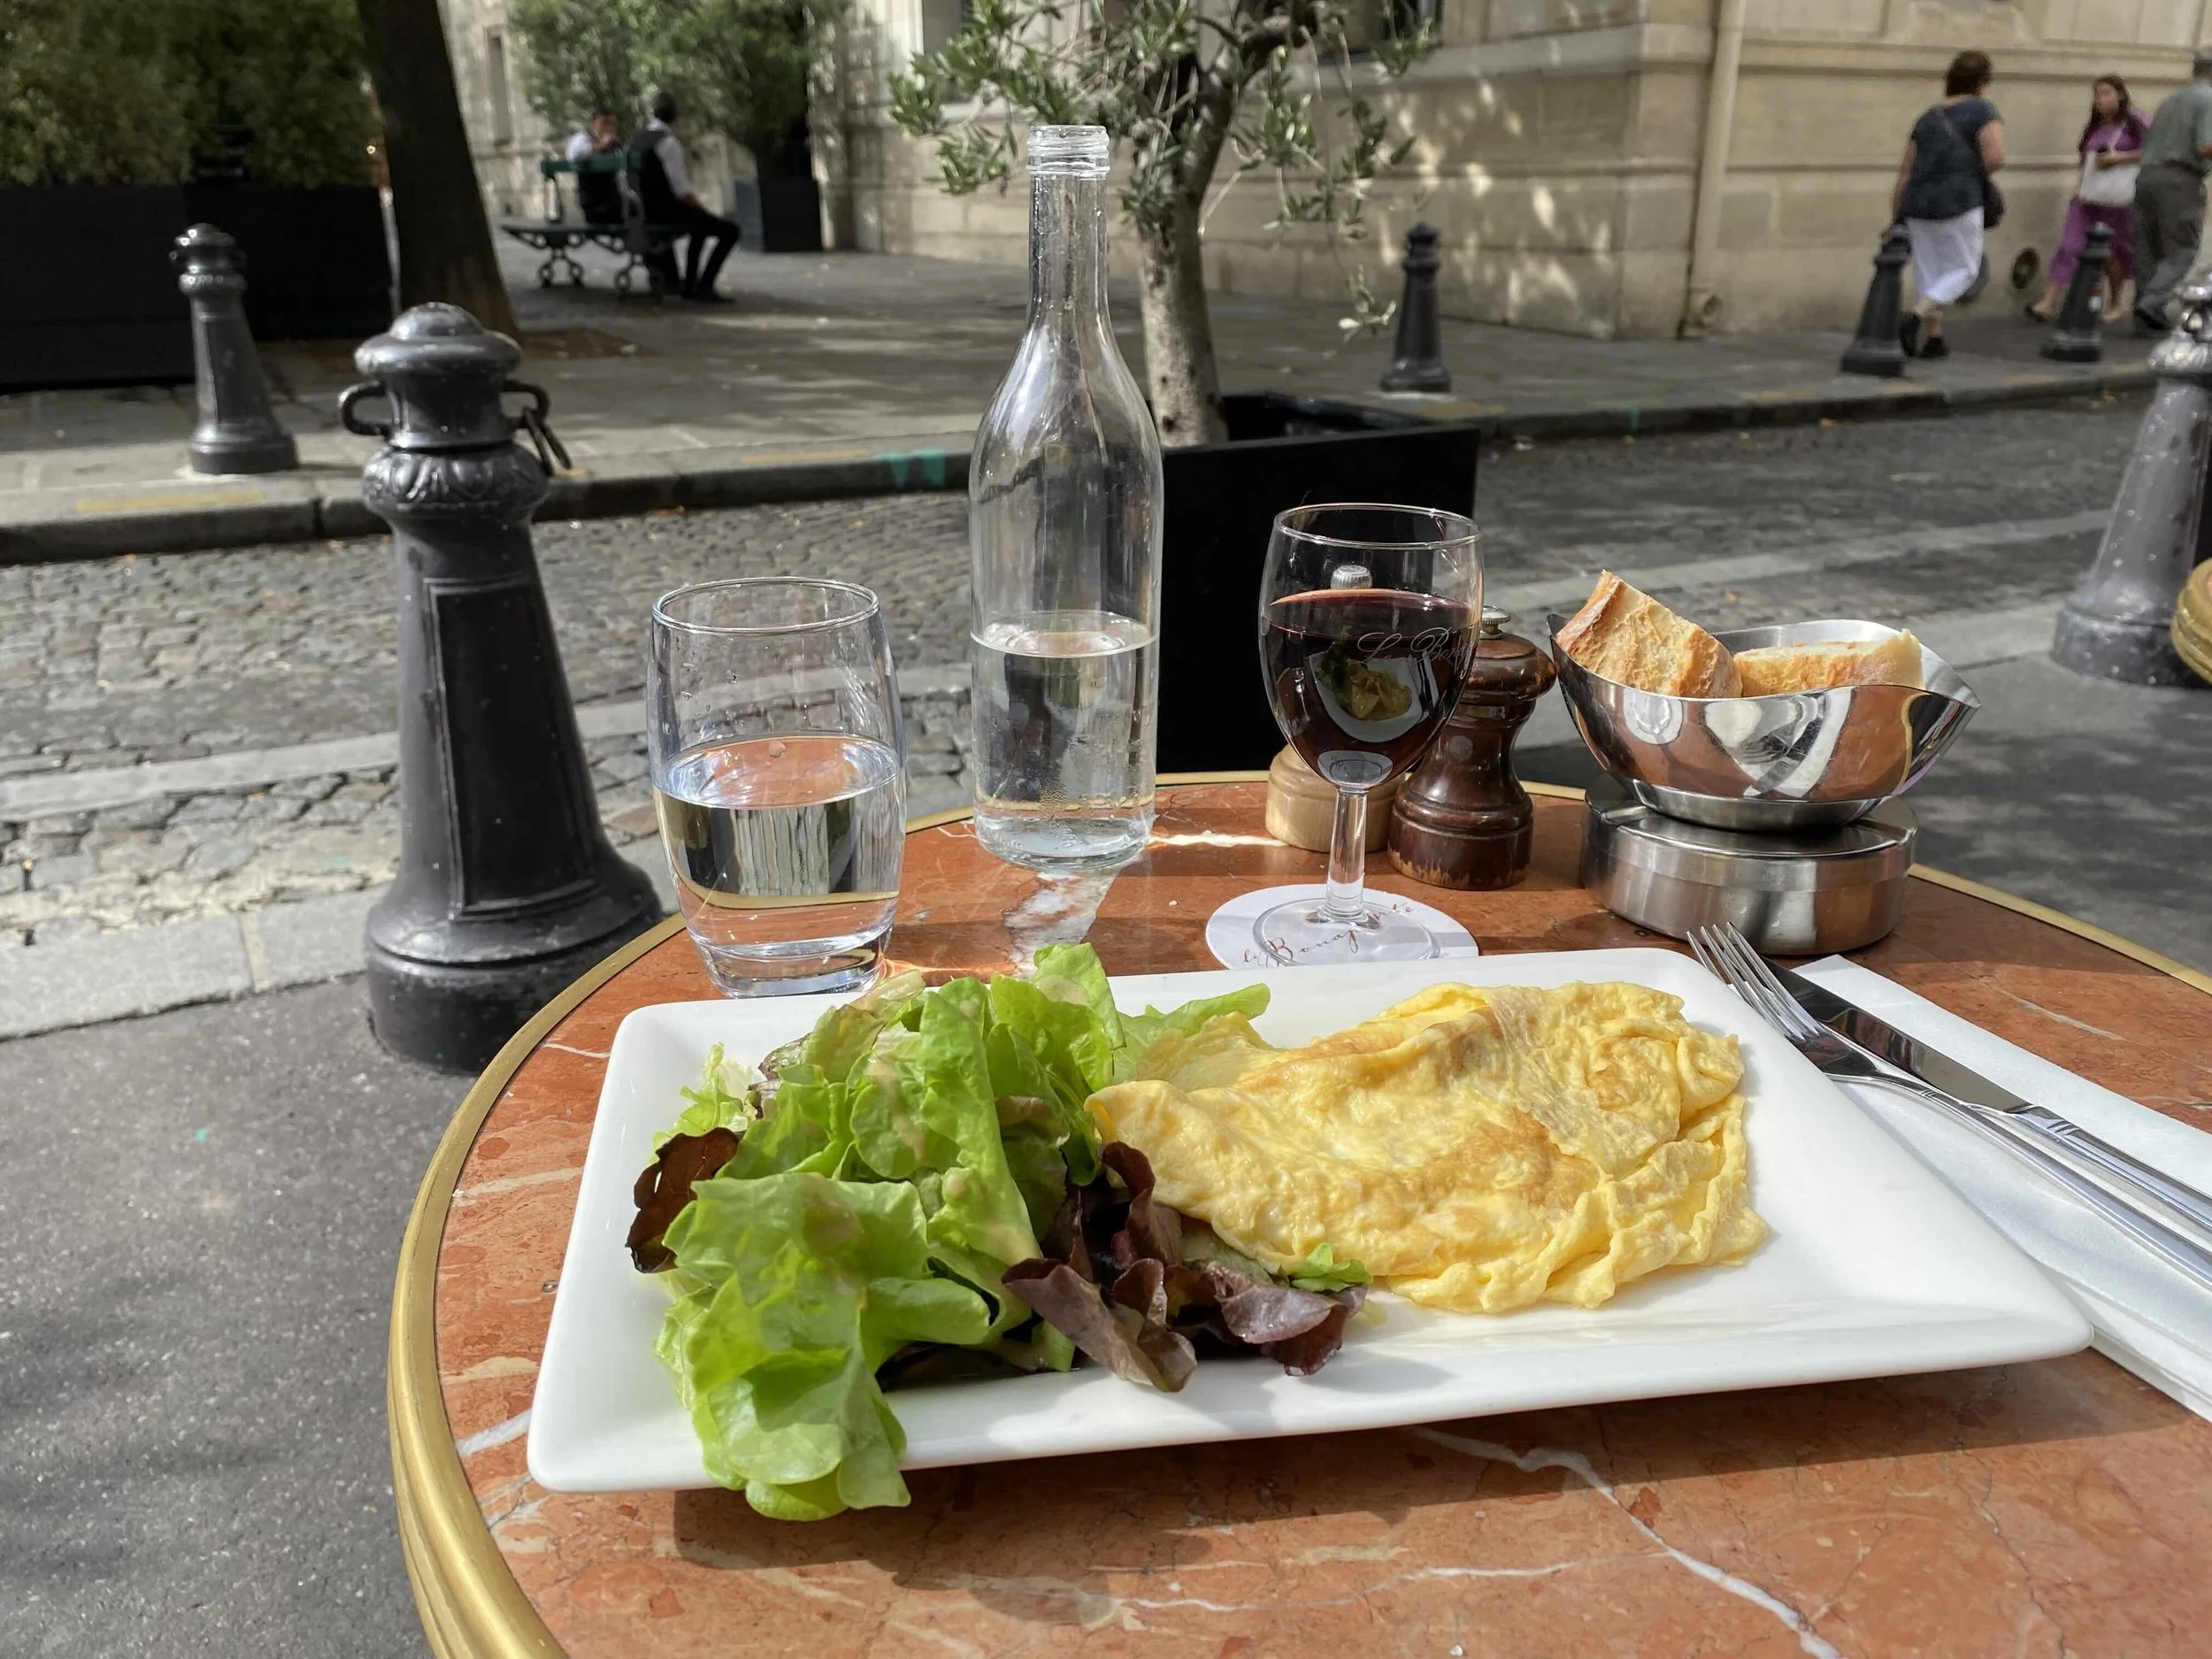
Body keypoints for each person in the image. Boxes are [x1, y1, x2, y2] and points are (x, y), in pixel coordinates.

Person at [1891, 50, 2005, 361]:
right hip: (1959, 199)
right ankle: (1914, 316)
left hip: (1918, 201)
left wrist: (1896, 210)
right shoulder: (1982, 111)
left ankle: (1933, 339)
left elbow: (1906, 169)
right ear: (1982, 82)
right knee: (1965, 269)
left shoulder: (1928, 117)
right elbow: (1995, 157)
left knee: (1929, 270)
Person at [2026, 77, 2145, 324]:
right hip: (2088, 197)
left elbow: (2153, 151)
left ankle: (2115, 303)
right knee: (2070, 245)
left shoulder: (2135, 122)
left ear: (2121, 95)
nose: (2100, 99)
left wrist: (2119, 158)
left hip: (2118, 201)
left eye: (2106, 93)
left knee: (2113, 251)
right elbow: (2085, 160)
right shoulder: (2095, 127)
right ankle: (2048, 302)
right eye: (2097, 95)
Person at [630, 90, 740, 303]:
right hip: (668, 211)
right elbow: (681, 188)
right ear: (674, 115)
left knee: (701, 225)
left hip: (645, 210)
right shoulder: (668, 143)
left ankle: (691, 284)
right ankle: (703, 285)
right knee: (729, 230)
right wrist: (699, 207)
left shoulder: (637, 140)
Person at [2131, 50, 2212, 333]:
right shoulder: (2209, 99)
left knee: (2149, 248)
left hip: (2147, 176)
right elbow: (2205, 146)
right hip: (2180, 180)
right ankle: (2152, 304)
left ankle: (2143, 309)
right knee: (2182, 249)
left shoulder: (2172, 99)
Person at [565, 110, 623, 227]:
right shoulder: (582, 138)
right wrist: (600, 146)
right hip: (594, 204)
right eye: (604, 123)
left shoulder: (615, 146)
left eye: (612, 124)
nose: (609, 128)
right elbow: (574, 155)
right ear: (593, 124)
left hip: (614, 201)